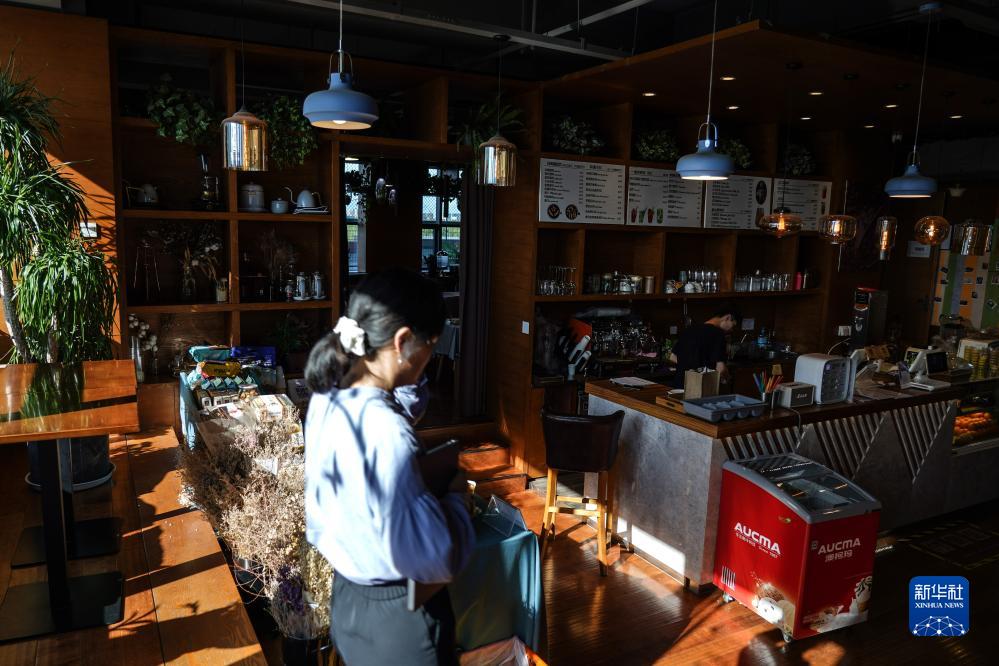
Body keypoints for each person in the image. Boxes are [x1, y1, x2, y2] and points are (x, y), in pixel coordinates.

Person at [304, 269, 475, 666]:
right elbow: (434, 557)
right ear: (402, 341)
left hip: (348, 600)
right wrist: (456, 498)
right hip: (400, 619)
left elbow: (394, 405)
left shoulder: (327, 397)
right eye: (430, 346)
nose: (428, 360)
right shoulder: (388, 433)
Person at [670, 302, 741, 388]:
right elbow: (721, 368)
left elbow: (672, 357)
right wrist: (727, 377)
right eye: (733, 325)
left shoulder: (690, 329)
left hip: (679, 385)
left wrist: (689, 366)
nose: (732, 330)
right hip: (701, 387)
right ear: (728, 317)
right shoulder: (718, 334)